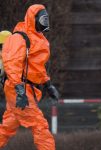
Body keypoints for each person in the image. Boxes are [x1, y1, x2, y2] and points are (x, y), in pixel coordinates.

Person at [0, 4, 59, 150]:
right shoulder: (20, 38)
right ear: (34, 19)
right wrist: (19, 90)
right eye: (43, 19)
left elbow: (37, 67)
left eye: (46, 19)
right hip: (18, 89)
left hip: (26, 90)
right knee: (40, 125)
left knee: (6, 128)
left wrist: (48, 85)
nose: (45, 23)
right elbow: (11, 64)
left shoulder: (39, 40)